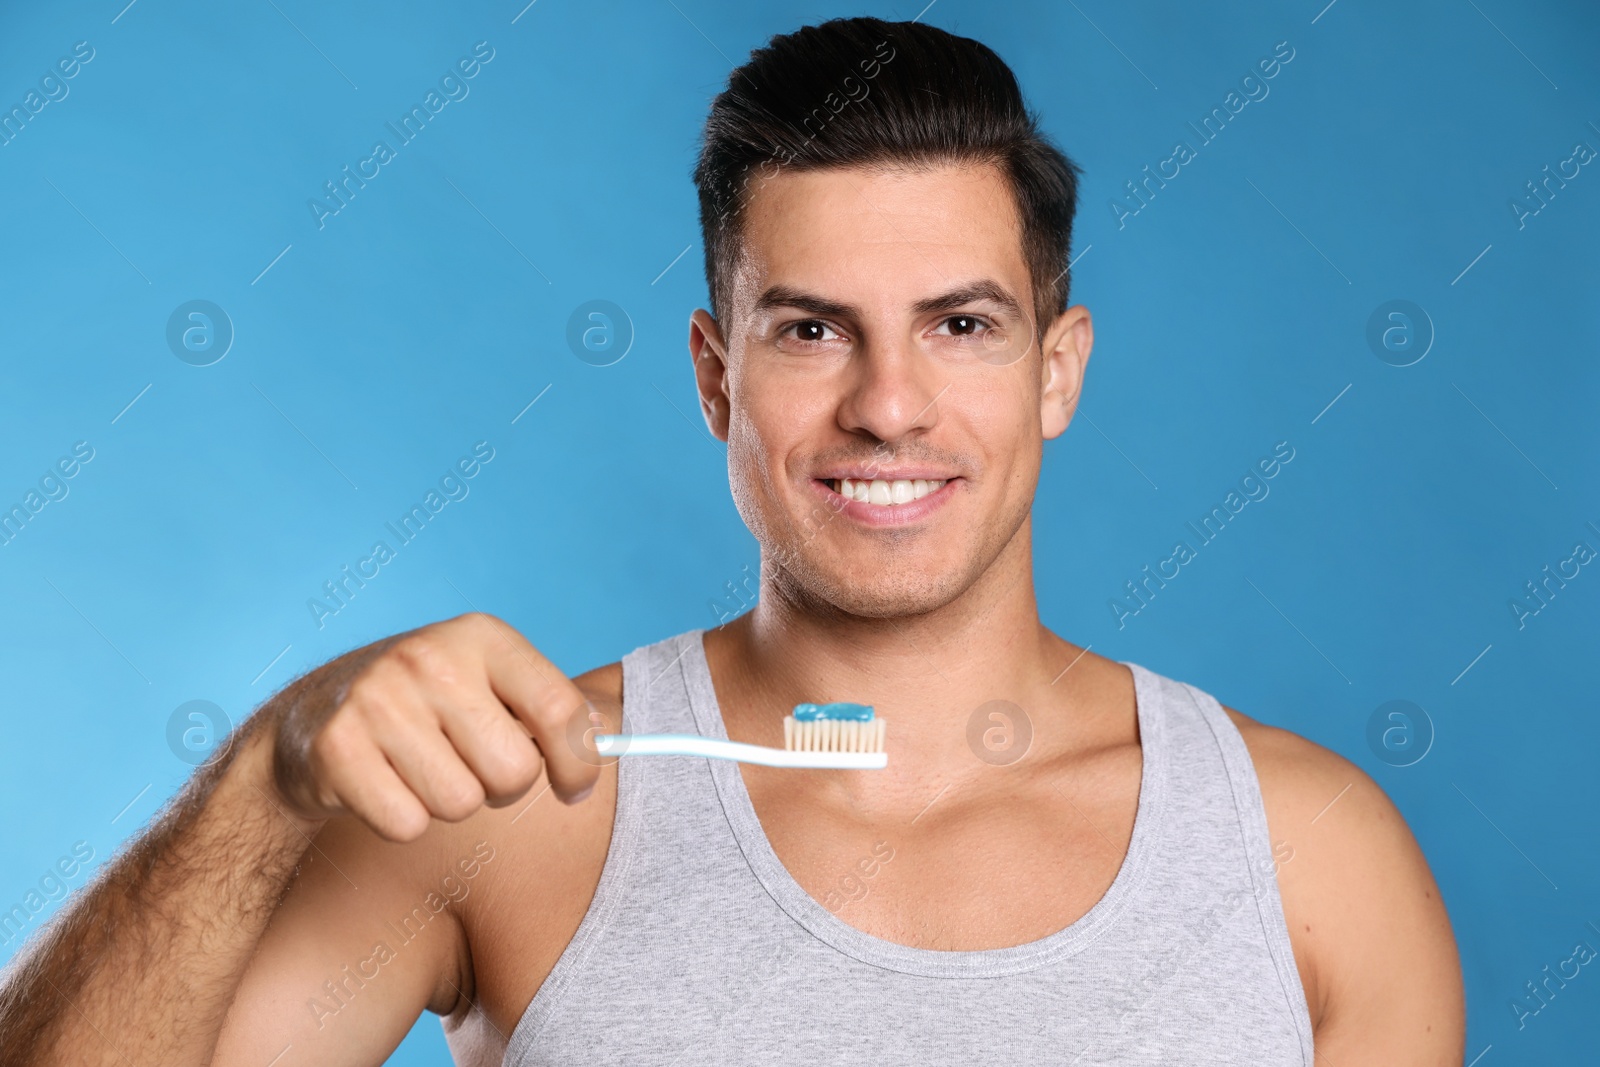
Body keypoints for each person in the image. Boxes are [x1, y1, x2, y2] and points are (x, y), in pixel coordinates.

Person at [0, 16, 1463, 1066]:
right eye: (812, 330)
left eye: (961, 326)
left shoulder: (1310, 857)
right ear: (715, 375)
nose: (889, 406)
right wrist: (259, 784)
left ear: (1058, 368)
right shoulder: (515, 807)